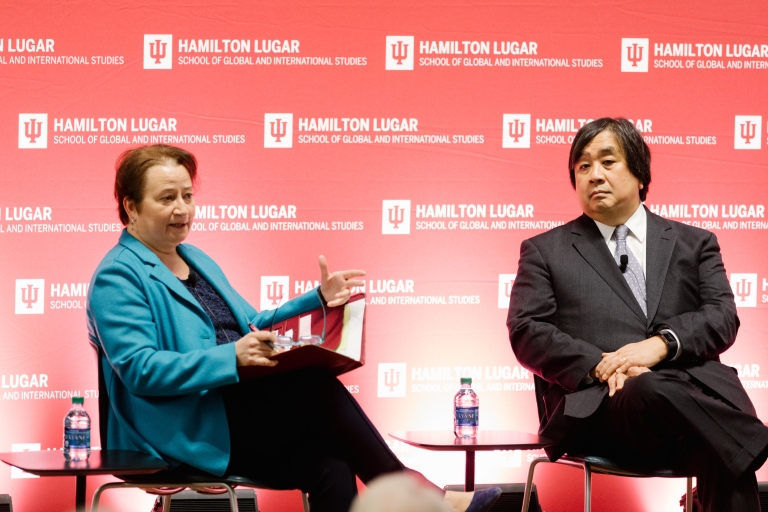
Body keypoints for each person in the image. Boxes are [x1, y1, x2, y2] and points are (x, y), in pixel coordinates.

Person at [87, 144, 500, 512]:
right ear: (131, 207)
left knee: (332, 465)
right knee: (312, 387)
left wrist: (317, 299)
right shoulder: (117, 276)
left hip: (238, 416)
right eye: (166, 198)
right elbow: (140, 369)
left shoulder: (194, 257)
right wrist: (231, 357)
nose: (183, 208)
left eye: (188, 195)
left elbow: (251, 324)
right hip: (183, 428)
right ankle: (425, 502)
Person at [507, 118, 768, 511]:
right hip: (604, 413)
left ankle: (734, 442)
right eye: (583, 166)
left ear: (640, 174)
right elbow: (528, 330)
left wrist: (660, 347)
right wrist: (607, 366)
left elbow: (722, 317)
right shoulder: (546, 251)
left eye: (607, 162)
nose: (594, 175)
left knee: (717, 450)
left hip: (687, 414)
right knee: (653, 392)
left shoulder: (694, 244)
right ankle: (753, 440)